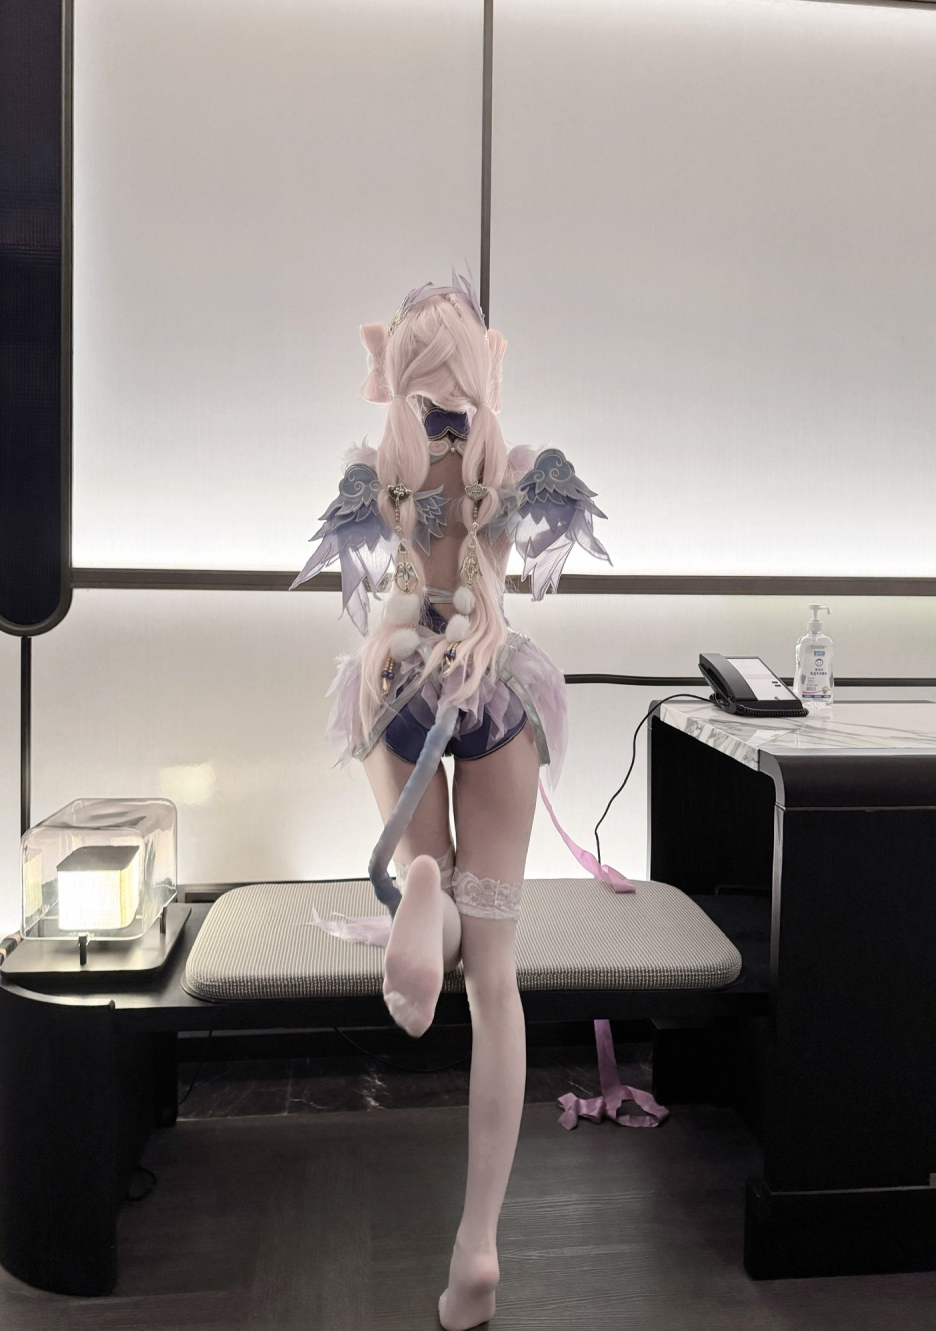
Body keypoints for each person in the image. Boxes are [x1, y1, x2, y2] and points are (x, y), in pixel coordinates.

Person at [294, 274, 609, 1330]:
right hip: (497, 689)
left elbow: (365, 564)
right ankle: (477, 1246)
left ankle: (418, 883)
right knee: (496, 980)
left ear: (391, 363)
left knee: (417, 849)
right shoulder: (512, 468)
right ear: (485, 360)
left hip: (402, 683)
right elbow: (558, 523)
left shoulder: (378, 469)